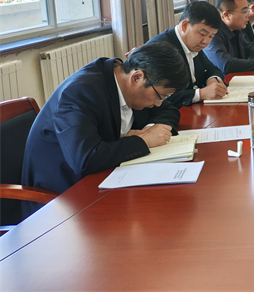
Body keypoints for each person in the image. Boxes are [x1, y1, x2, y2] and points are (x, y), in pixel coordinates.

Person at [21, 42, 189, 208]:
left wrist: (150, 129)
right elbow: (84, 159)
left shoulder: (131, 83)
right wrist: (143, 141)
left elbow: (169, 110)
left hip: (107, 176)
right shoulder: (81, 92)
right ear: (137, 77)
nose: (159, 103)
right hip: (63, 195)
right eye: (161, 96)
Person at [148, 0, 228, 108]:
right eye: (202, 34)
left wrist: (212, 80)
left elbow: (211, 68)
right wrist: (201, 94)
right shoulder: (161, 48)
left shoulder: (194, 44)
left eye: (211, 36)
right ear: (185, 25)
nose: (205, 41)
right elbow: (162, 96)